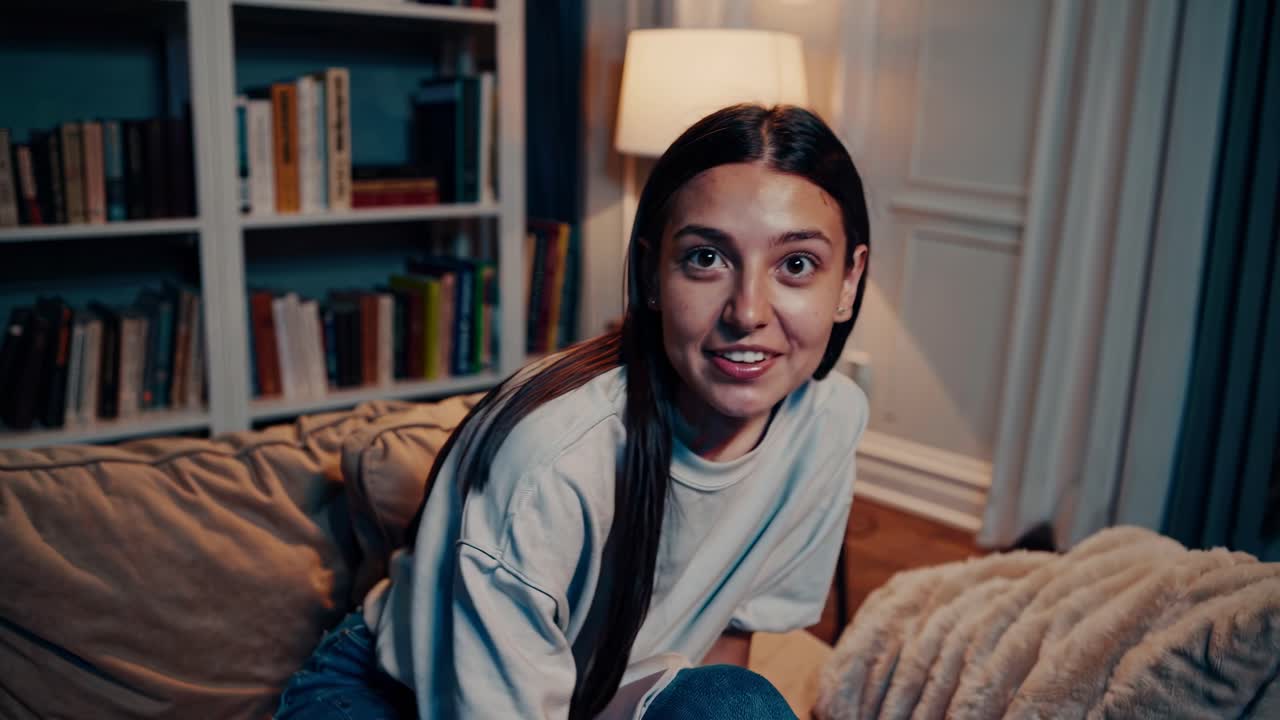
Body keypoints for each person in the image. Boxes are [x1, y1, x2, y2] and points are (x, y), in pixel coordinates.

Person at [275, 102, 871, 720]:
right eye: (705, 258)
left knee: (736, 703)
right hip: (393, 697)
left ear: (848, 282)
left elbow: (724, 648)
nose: (747, 312)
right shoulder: (550, 459)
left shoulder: (829, 423)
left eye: (796, 265)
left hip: (601, 694)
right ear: (650, 274)